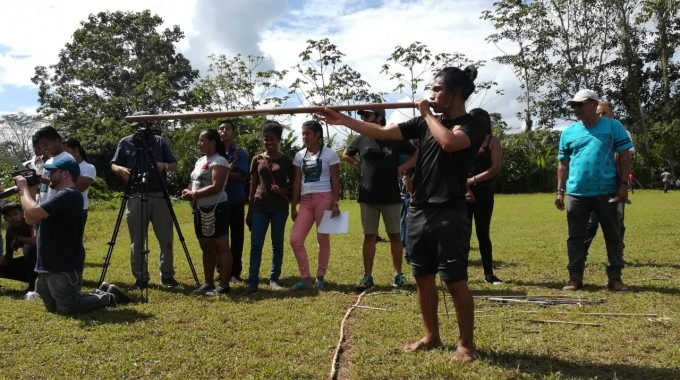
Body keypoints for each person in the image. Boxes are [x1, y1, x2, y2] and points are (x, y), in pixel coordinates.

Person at [319, 66, 485, 362]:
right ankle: (431, 336)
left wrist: (428, 115)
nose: (431, 94)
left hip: (449, 209)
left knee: (454, 279)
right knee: (422, 276)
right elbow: (382, 131)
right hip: (419, 209)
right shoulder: (425, 124)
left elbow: (450, 143)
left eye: (437, 89)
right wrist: (341, 119)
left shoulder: (473, 122)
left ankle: (465, 345)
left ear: (455, 92)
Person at [14, 157, 131, 314]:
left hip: (63, 264)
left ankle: (110, 297)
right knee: (53, 308)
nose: (47, 175)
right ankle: (100, 292)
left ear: (65, 174)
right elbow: (30, 218)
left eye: (52, 171)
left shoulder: (69, 195)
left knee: (68, 308)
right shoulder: (59, 196)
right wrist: (32, 190)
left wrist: (23, 189)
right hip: (47, 263)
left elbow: (33, 212)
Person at [555, 89, 632, 292]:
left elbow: (625, 156)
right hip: (577, 193)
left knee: (613, 235)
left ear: (592, 103)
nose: (576, 109)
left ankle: (615, 278)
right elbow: (563, 164)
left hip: (607, 191)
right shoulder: (568, 132)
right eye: (574, 105)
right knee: (575, 237)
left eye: (580, 104)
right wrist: (559, 190)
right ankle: (575, 278)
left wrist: (624, 185)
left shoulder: (613, 126)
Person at [342, 108, 417, 291]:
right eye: (362, 116)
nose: (363, 118)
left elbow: (416, 154)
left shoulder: (394, 136)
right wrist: (359, 165)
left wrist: (402, 168)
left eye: (367, 115)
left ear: (379, 117)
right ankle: (367, 276)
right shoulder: (361, 139)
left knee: (394, 236)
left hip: (391, 196)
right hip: (368, 197)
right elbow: (345, 154)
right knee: (370, 236)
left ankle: (397, 275)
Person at [110, 115, 179, 289]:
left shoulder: (159, 141)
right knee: (137, 240)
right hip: (135, 194)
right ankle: (141, 278)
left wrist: (162, 166)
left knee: (166, 238)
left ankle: (167, 275)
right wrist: (120, 169)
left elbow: (174, 164)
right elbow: (113, 164)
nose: (143, 129)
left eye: (146, 125)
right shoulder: (125, 142)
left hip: (159, 193)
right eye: (139, 125)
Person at [242, 121, 294, 296]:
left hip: (279, 208)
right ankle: (253, 282)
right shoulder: (257, 159)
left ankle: (274, 279)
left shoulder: (286, 160)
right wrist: (249, 210)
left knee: (277, 244)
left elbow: (294, 184)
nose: (269, 142)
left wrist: (283, 190)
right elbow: (253, 184)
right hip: (259, 207)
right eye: (266, 139)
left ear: (279, 139)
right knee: (256, 245)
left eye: (272, 139)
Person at [289, 120, 341, 290]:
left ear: (317, 134)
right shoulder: (299, 155)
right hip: (305, 201)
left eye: (307, 133)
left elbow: (335, 179)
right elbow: (297, 181)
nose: (304, 137)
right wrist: (293, 205)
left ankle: (320, 277)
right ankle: (305, 278)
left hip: (324, 198)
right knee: (295, 239)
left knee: (322, 239)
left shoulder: (330, 154)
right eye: (303, 133)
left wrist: (335, 203)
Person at [181, 129, 232, 296]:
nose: (199, 143)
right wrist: (187, 191)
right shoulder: (200, 161)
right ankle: (208, 282)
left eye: (202, 140)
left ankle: (224, 285)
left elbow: (217, 186)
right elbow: (194, 182)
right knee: (206, 246)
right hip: (199, 209)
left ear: (213, 142)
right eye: (199, 140)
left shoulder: (220, 161)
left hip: (217, 208)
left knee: (221, 246)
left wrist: (194, 194)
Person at [583, 101, 635, 260]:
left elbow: (625, 158)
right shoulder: (589, 131)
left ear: (612, 113)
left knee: (617, 221)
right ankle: (581, 254)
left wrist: (623, 182)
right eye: (598, 113)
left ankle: (617, 255)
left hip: (615, 184)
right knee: (591, 222)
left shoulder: (622, 132)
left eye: (604, 113)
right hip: (594, 184)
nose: (600, 116)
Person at [465, 108, 503, 285]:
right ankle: (460, 274)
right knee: (463, 234)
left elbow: (495, 168)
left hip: (484, 191)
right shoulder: (464, 140)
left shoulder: (492, 141)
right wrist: (465, 187)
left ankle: (489, 274)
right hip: (463, 192)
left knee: (482, 233)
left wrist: (472, 181)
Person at [218, 119, 249, 284]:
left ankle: (235, 272)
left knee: (237, 238)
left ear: (233, 132)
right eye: (221, 129)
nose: (224, 131)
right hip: (217, 202)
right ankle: (221, 271)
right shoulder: (213, 153)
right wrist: (230, 170)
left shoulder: (241, 153)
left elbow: (242, 177)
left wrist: (221, 174)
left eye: (227, 129)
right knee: (219, 238)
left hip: (235, 200)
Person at [0, 202, 37, 293]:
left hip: (46, 260)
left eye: (15, 214)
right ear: (5, 218)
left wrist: (19, 238)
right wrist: (3, 259)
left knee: (28, 248)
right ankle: (33, 280)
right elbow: (9, 255)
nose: (13, 218)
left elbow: (35, 241)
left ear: (22, 213)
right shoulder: (10, 231)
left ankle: (33, 286)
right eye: (9, 216)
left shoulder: (31, 222)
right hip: (30, 264)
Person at [62, 138, 96, 235]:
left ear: (76, 151)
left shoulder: (89, 167)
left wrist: (68, 168)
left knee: (75, 242)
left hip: (78, 210)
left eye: (66, 152)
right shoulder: (60, 166)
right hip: (61, 208)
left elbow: (81, 187)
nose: (63, 156)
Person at [33, 126, 73, 204]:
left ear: (57, 141)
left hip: (59, 207)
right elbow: (44, 187)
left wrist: (44, 180)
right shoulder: (48, 162)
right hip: (45, 206)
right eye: (41, 146)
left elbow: (66, 186)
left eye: (46, 144)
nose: (44, 149)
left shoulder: (67, 159)